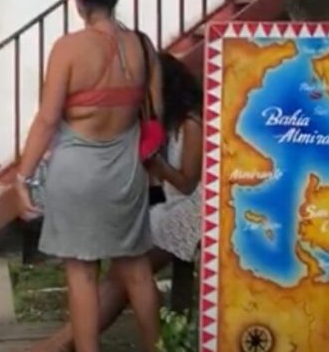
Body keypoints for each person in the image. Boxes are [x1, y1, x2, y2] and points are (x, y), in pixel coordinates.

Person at [15, 0, 161, 352]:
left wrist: (22, 178)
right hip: (127, 170)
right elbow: (156, 110)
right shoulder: (142, 47)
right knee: (135, 268)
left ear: (78, 1)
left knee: (81, 271)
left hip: (77, 169)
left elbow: (47, 119)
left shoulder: (68, 48)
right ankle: (157, 347)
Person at [33, 52, 203, 352]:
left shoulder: (191, 123)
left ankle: (60, 344)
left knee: (124, 269)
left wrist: (157, 167)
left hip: (194, 210)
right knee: (124, 268)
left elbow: (188, 182)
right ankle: (64, 343)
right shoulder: (166, 122)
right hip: (170, 206)